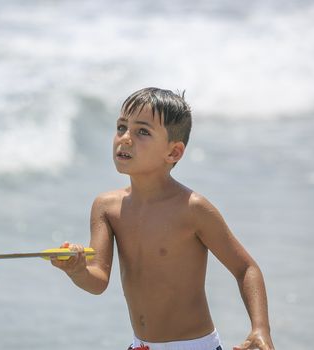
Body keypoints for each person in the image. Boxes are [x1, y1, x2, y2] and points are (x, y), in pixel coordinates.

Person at [50, 87, 275, 350]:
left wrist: (260, 329)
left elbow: (246, 268)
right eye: (121, 127)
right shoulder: (106, 207)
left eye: (142, 131)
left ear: (174, 153)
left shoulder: (192, 209)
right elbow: (98, 280)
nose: (125, 138)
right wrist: (77, 270)